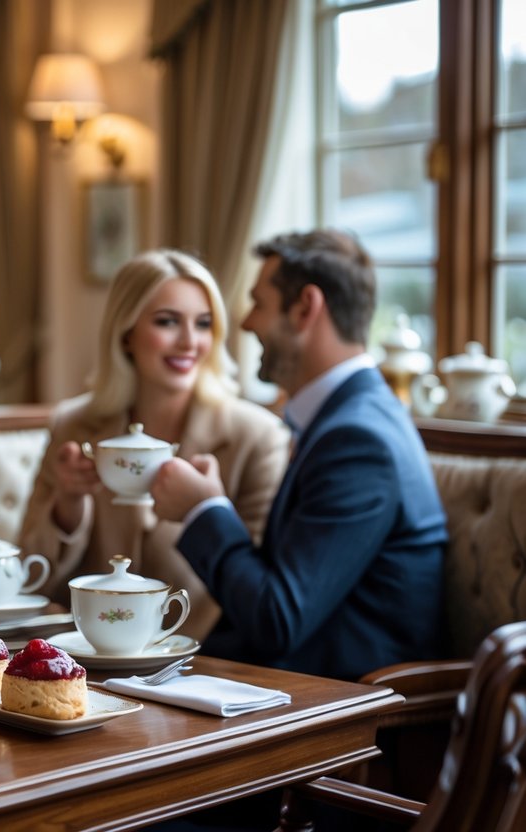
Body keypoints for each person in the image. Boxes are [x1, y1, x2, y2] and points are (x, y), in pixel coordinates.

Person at [151, 229, 447, 682]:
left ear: (306, 307)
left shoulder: (358, 440)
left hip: (345, 709)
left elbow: (277, 620)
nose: (247, 323)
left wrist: (201, 510)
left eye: (259, 303)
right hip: (295, 684)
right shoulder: (342, 419)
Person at [19, 249, 289, 641]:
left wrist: (203, 509)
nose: (189, 342)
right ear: (125, 333)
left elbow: (255, 589)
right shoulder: (74, 426)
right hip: (84, 659)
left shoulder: (257, 437)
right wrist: (67, 506)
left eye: (203, 324)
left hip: (205, 659)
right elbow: (29, 577)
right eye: (167, 322)